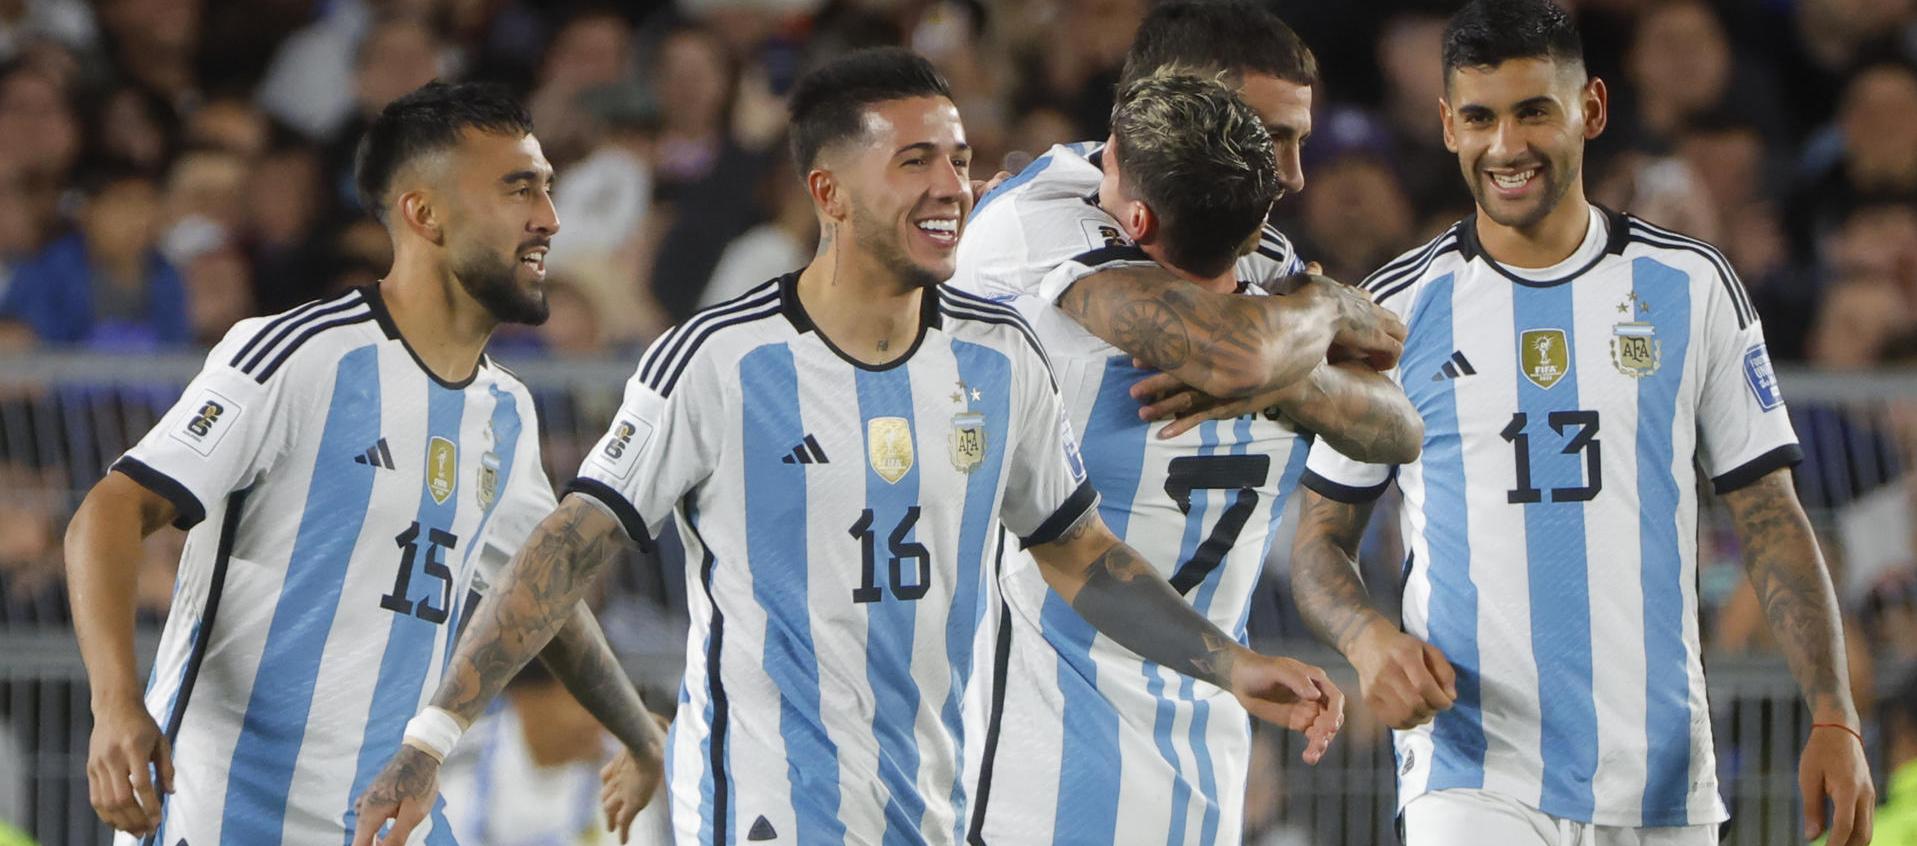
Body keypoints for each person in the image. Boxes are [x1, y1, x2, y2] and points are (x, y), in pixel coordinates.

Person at [349, 48, 1344, 846]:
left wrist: (1227, 663)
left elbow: (1080, 552)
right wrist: (434, 737)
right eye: (915, 160)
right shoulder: (719, 361)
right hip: (772, 808)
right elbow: (566, 549)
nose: (954, 185)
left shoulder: (1000, 357)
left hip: (948, 809)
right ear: (828, 193)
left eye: (958, 157)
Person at [1287, 2, 1876, 844]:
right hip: (1469, 771)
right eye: (1481, 118)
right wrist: (1367, 636)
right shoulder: (1394, 311)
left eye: (1534, 111)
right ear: (1448, 126)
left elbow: (1769, 513)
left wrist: (1833, 713)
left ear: (1590, 110)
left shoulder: (1690, 286)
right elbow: (1317, 541)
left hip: (1661, 776)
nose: (1506, 146)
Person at [64, 81, 664, 845]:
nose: (548, 219)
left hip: (387, 821)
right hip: (228, 815)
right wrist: (116, 704)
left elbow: (540, 595)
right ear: (424, 213)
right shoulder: (301, 354)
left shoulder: (504, 411)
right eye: (519, 190)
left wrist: (638, 735)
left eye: (546, 189)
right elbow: (109, 511)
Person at [950, 5, 1420, 840]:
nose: (1294, 176)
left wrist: (1291, 378)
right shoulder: (1036, 222)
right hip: (1033, 750)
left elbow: (1396, 428)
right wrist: (1305, 327)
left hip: (1204, 743)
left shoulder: (1261, 261)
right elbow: (1229, 353)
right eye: (1271, 136)